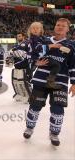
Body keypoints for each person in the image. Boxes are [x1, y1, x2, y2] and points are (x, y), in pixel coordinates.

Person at [23, 18, 75, 146]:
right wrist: (36, 62)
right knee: (34, 106)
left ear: (68, 29)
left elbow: (73, 65)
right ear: (55, 26)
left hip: (60, 82)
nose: (60, 27)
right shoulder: (43, 40)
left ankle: (54, 134)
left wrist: (74, 83)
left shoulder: (72, 45)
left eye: (63, 26)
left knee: (57, 109)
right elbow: (30, 54)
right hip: (40, 79)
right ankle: (29, 128)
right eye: (58, 25)